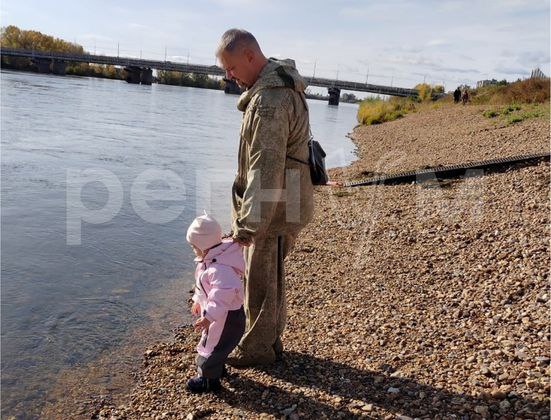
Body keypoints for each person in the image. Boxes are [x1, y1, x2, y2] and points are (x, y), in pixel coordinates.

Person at [215, 29, 314, 367]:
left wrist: (247, 225)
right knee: (271, 275)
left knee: (262, 278)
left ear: (249, 56)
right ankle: (269, 343)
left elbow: (266, 168)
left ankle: (258, 351)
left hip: (278, 205)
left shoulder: (269, 101)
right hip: (289, 197)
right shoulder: (279, 88)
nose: (229, 76)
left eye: (231, 67)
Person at [186, 212, 246, 393]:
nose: (193, 249)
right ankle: (218, 369)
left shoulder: (219, 268)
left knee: (211, 347)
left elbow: (221, 296)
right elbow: (203, 287)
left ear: (203, 245)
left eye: (194, 246)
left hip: (227, 317)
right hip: (220, 314)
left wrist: (209, 317)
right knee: (218, 344)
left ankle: (208, 380)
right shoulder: (210, 259)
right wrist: (198, 300)